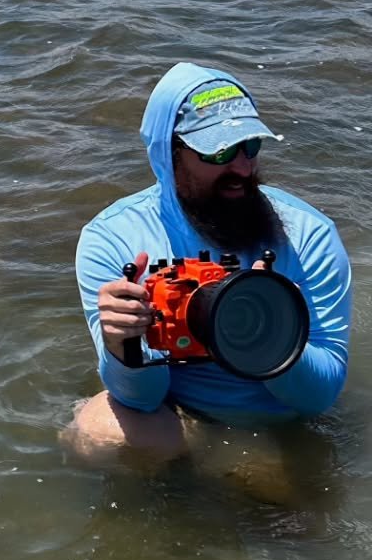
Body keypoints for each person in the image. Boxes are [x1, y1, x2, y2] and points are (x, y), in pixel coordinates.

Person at [65, 61, 351, 460]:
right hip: (184, 419)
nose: (242, 167)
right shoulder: (114, 239)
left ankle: (240, 471)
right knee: (95, 432)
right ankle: (205, 466)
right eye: (219, 151)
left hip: (280, 422)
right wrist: (124, 346)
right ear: (170, 153)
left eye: (250, 146)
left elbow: (318, 398)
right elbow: (141, 400)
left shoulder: (308, 237)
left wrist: (272, 333)